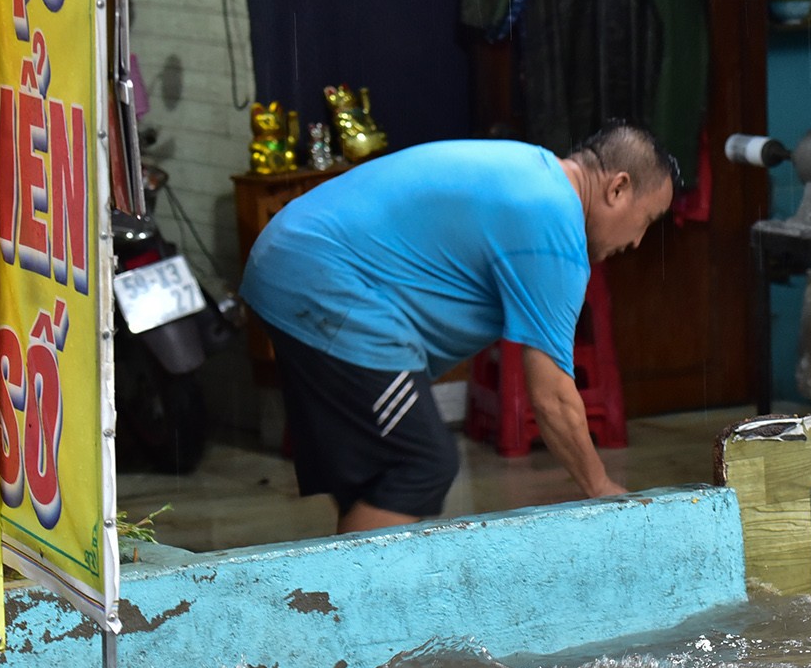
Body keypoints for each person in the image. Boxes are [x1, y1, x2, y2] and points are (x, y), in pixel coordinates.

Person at [240, 124, 676, 534]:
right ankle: (350, 610)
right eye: (648, 221)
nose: (637, 242)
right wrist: (600, 488)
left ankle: (349, 602)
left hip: (288, 258)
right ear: (618, 188)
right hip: (321, 278)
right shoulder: (555, 225)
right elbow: (552, 398)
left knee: (375, 480)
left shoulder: (534, 172)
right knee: (419, 464)